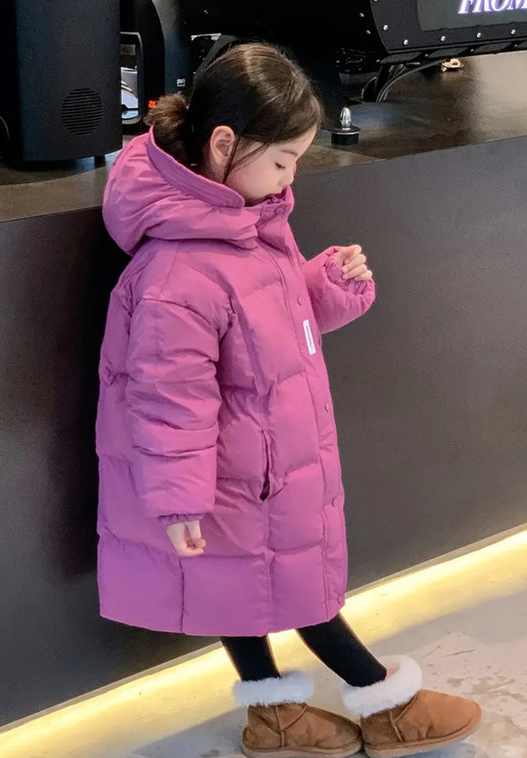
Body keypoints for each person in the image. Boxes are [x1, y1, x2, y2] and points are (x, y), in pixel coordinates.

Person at [96, 43, 481, 758]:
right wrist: (178, 500)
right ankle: (386, 703)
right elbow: (166, 398)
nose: (289, 178)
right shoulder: (177, 269)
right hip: (238, 476)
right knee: (297, 591)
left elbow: (259, 328)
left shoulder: (242, 221)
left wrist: (324, 285)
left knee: (245, 588)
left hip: (265, 462)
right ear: (223, 145)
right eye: (281, 161)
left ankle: (272, 715)